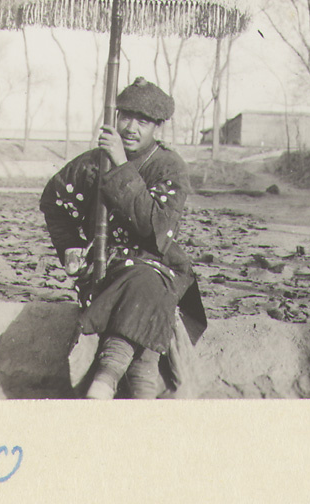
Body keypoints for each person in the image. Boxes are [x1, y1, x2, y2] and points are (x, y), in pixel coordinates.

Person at [39, 77, 206, 399]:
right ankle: (139, 396)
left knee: (146, 280)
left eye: (142, 121)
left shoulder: (169, 166)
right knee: (144, 288)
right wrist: (70, 245)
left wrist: (119, 165)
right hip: (104, 266)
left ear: (157, 127)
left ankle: (106, 376)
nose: (130, 128)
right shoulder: (91, 162)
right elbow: (54, 201)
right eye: (125, 117)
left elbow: (155, 229)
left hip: (158, 263)